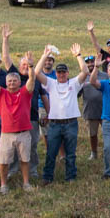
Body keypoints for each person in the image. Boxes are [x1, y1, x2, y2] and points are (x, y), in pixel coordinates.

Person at [0, 51, 40, 193]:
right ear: (6, 83)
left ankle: (26, 183)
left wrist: (31, 66)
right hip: (6, 134)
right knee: (3, 161)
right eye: (9, 81)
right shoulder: (1, 94)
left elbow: (32, 80)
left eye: (14, 81)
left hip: (24, 132)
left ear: (19, 82)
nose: (12, 83)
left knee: (25, 160)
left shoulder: (25, 93)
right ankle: (3, 184)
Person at [40, 45, 87, 184]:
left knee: (71, 153)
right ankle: (47, 177)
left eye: (63, 72)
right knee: (51, 153)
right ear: (56, 74)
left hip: (71, 123)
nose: (61, 75)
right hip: (54, 124)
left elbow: (84, 71)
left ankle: (71, 176)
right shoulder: (51, 84)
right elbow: (36, 73)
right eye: (59, 72)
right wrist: (44, 56)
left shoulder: (74, 83)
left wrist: (78, 55)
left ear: (67, 73)